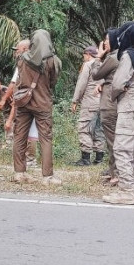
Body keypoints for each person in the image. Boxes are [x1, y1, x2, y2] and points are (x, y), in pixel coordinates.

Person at [102, 22, 134, 205]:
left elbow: (117, 83)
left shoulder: (129, 56)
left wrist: (115, 94)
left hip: (129, 106)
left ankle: (126, 191)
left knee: (121, 149)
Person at [12, 29, 63, 185]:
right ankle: (47, 176)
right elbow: (52, 83)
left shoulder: (22, 58)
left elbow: (19, 80)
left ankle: (19, 173)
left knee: (20, 136)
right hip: (42, 103)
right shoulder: (53, 61)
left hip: (24, 103)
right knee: (45, 138)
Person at [91, 31, 120, 184]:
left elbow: (96, 74)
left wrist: (98, 57)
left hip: (109, 103)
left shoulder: (113, 57)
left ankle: (116, 174)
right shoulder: (117, 56)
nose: (105, 42)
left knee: (112, 139)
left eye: (108, 40)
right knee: (111, 139)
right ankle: (113, 170)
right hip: (111, 100)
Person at [71, 46, 105, 165]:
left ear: (88, 55)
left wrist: (75, 100)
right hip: (103, 102)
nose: (83, 58)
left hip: (90, 101)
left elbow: (81, 84)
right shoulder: (104, 64)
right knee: (98, 130)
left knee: (85, 128)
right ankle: (99, 158)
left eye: (84, 55)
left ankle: (85, 158)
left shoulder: (88, 65)